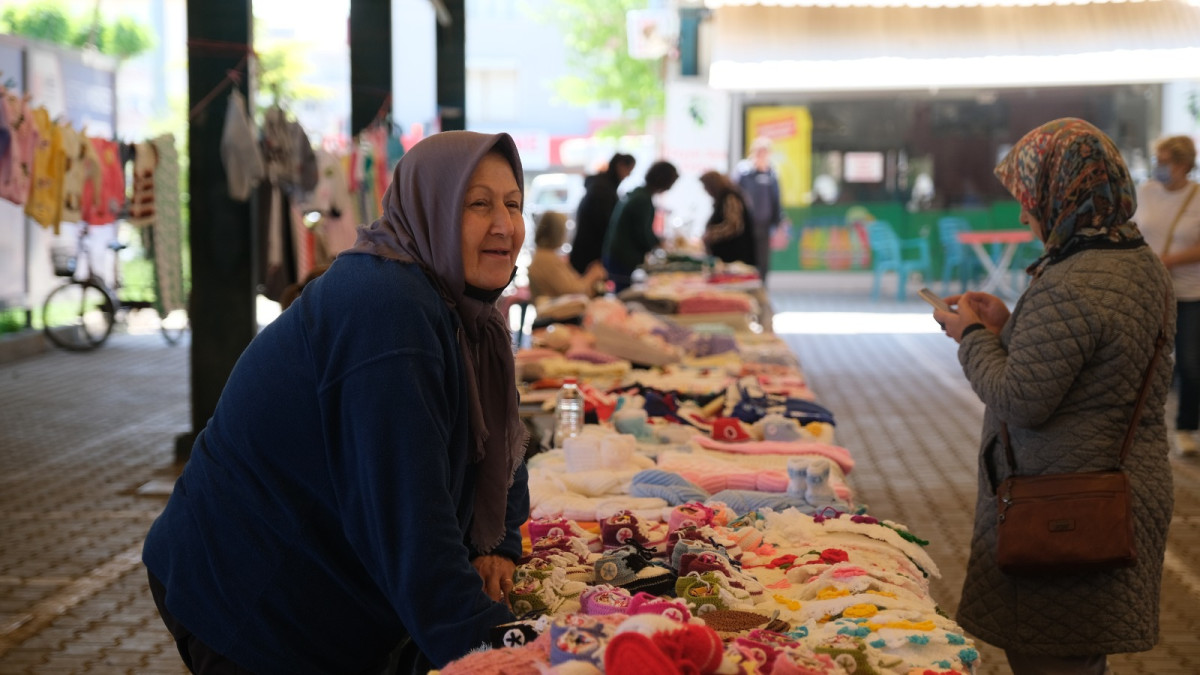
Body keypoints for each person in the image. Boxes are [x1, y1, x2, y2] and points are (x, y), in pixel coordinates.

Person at [143, 131, 532, 673]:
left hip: (327, 586)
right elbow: (410, 518)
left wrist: (501, 543)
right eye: (478, 204)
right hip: (255, 592)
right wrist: (505, 653)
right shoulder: (388, 310)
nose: (504, 225)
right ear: (432, 208)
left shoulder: (470, 314)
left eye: (513, 204)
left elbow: (502, 440)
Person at [932, 118, 1175, 674]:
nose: (1024, 213)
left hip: (1063, 503)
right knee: (1081, 657)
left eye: (1030, 197)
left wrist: (969, 337)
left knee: (1054, 660)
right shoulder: (1139, 263)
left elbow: (1021, 399)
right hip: (1116, 487)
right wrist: (1009, 326)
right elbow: (1092, 362)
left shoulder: (1072, 281)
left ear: (1063, 191)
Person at [1134, 135, 1200, 456]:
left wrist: (1168, 261)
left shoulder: (1197, 197)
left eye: (1165, 162)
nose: (1159, 168)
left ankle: (1186, 427)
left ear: (1184, 165)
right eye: (1157, 161)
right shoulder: (1146, 191)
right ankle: (1141, 428)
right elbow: (1133, 230)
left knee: (1189, 363)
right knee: (1143, 361)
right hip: (1150, 291)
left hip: (1190, 292)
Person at [602, 160, 679, 292]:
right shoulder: (642, 200)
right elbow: (643, 234)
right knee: (625, 296)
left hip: (614, 254)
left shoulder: (637, 194)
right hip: (623, 257)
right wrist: (659, 243)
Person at [569, 153, 636, 275]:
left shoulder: (602, 185)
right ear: (620, 166)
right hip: (590, 254)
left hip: (587, 250)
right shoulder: (602, 189)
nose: (628, 175)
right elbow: (603, 223)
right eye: (629, 170)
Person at [527, 210, 607, 300]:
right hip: (562, 311)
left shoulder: (544, 255)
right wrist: (592, 276)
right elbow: (573, 291)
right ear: (557, 232)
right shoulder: (547, 260)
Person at [736, 137, 785, 282]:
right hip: (746, 226)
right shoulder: (744, 173)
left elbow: (776, 200)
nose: (762, 156)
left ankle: (762, 288)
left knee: (763, 261)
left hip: (764, 226)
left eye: (765, 153)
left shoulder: (771, 174)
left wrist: (778, 224)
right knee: (746, 259)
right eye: (759, 152)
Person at [698, 170, 757, 267]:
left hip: (734, 253)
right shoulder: (724, 197)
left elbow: (733, 225)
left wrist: (711, 235)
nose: (706, 191)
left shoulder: (730, 197)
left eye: (706, 187)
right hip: (729, 254)